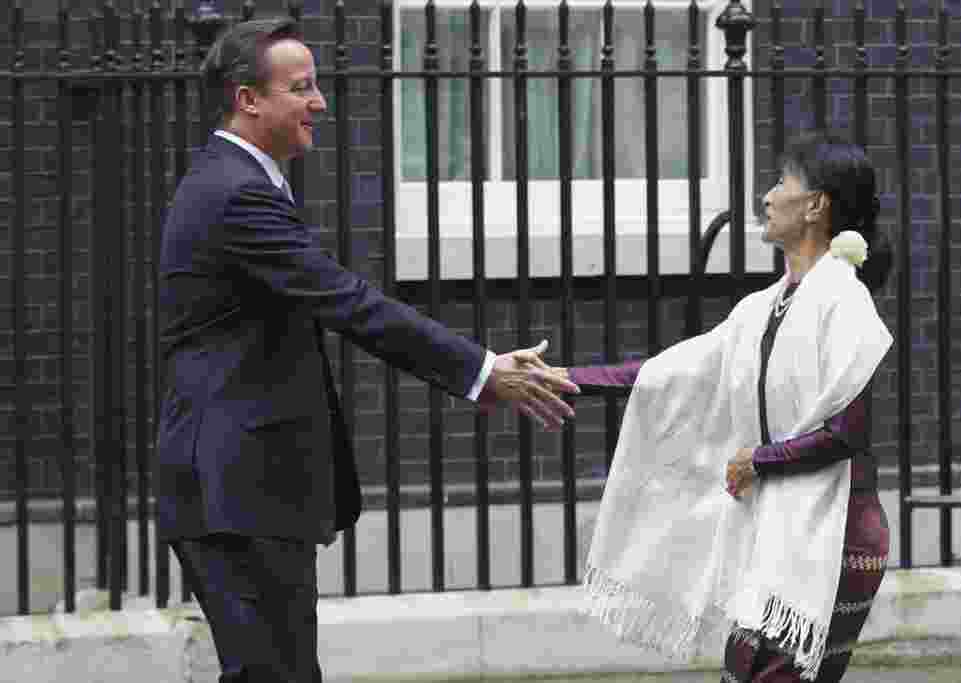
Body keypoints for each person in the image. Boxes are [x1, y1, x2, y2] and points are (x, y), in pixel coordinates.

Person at [156, 17, 578, 683]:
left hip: (241, 485)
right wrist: (480, 369)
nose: (319, 101)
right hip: (232, 485)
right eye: (301, 87)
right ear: (248, 99)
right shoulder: (235, 192)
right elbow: (349, 301)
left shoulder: (239, 179)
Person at [565, 131, 894, 682]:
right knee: (742, 668)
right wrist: (562, 379)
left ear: (816, 205)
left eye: (782, 182)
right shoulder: (763, 307)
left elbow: (847, 431)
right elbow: (663, 372)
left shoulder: (845, 300)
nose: (766, 195)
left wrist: (756, 461)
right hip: (777, 526)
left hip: (836, 531)